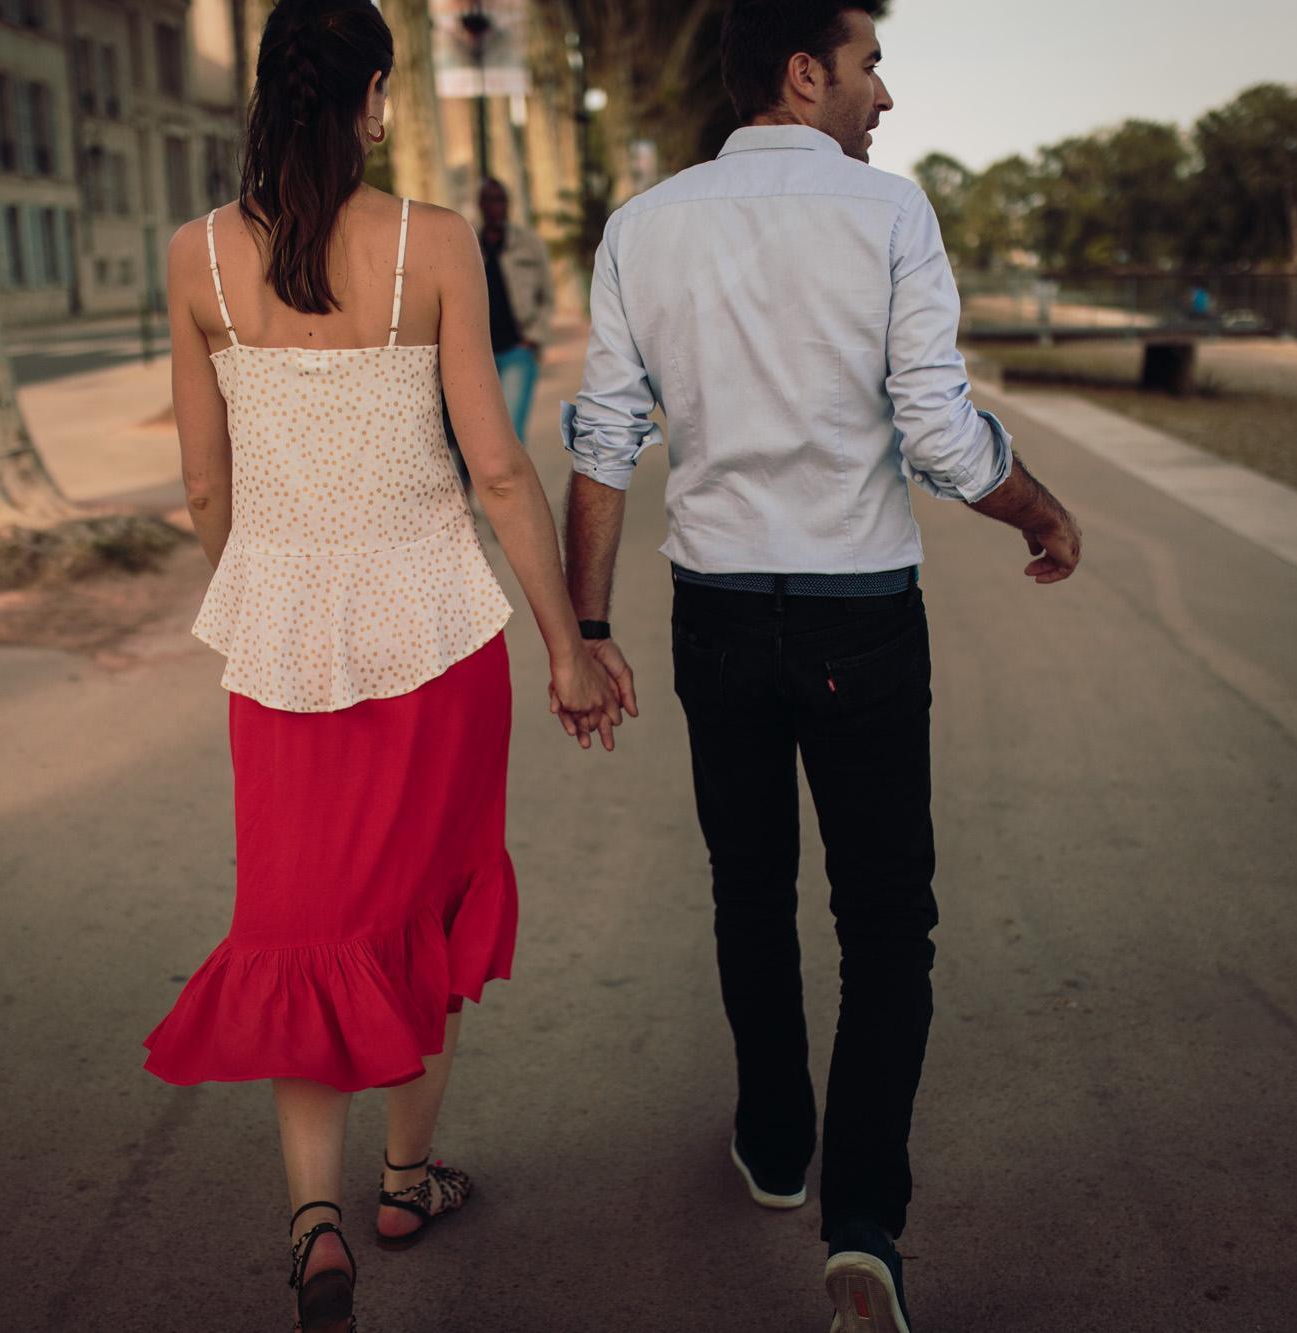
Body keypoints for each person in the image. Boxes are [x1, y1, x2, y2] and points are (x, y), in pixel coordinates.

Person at [559, 3, 1081, 1330]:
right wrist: (1038, 509)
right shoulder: (888, 214)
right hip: (859, 614)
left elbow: (607, 439)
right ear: (806, 73)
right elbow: (940, 431)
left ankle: (777, 1145)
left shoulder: (645, 226)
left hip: (716, 613)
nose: (886, 97)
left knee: (750, 888)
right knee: (887, 920)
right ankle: (863, 1225)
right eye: (870, 66)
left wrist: (592, 626)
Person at [141, 3, 622, 1330]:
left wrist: (268, 588)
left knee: (301, 923)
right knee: (430, 907)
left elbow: (201, 480)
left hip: (282, 644)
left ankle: (315, 1226)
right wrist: (570, 645)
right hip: (437, 633)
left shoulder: (195, 260)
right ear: (366, 99)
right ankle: (407, 1179)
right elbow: (503, 468)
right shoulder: (437, 245)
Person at [476, 177, 555, 443]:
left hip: (517, 350)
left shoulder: (527, 243)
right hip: (479, 354)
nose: (496, 207)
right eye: (489, 200)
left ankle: (511, 485)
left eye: (500, 200)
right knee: (481, 433)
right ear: (481, 205)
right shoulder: (469, 244)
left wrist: (533, 338)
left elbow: (547, 293)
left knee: (510, 432)